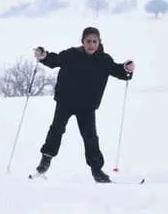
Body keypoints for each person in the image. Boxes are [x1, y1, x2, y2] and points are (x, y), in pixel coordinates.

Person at [31, 26, 136, 182]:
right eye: (88, 41)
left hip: (87, 106)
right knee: (56, 130)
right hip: (65, 101)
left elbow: (119, 72)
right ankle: (44, 162)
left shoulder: (104, 60)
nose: (91, 45)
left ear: (99, 42)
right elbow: (54, 60)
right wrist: (43, 55)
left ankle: (97, 171)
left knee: (90, 137)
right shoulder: (71, 54)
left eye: (94, 41)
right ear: (82, 41)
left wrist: (127, 68)